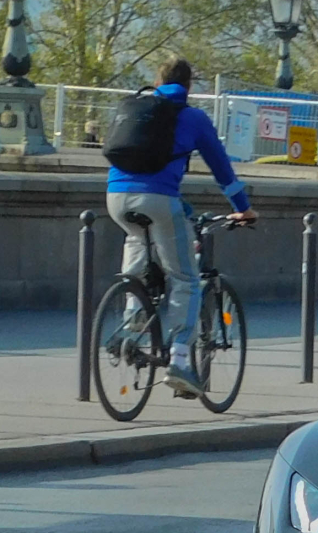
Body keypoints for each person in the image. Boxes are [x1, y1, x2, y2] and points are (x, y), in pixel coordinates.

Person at [105, 56, 256, 397]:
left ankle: (129, 330)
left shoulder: (140, 110)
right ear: (189, 85)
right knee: (185, 277)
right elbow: (223, 172)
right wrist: (244, 210)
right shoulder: (192, 117)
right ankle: (181, 361)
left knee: (138, 253)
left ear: (158, 80)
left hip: (115, 196)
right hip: (157, 199)